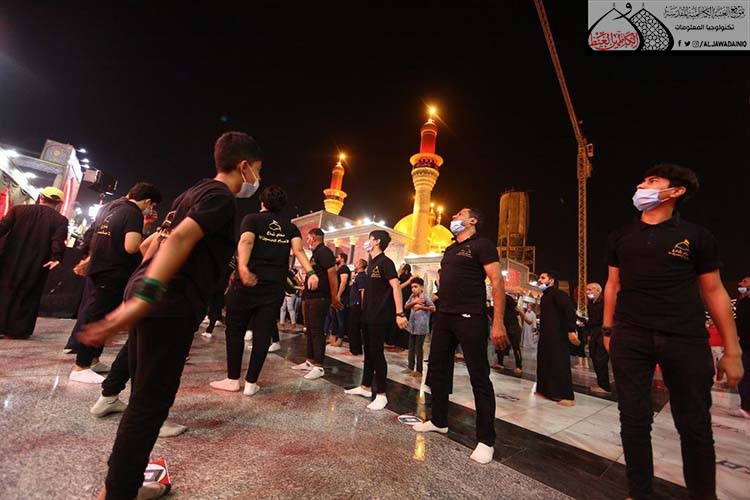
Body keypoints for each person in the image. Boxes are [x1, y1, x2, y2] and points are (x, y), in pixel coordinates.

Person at [78, 131, 263, 500]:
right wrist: (144, 300)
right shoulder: (221, 198)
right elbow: (178, 240)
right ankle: (118, 492)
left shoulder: (191, 193)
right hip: (170, 301)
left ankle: (121, 483)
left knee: (144, 396)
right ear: (244, 167)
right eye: (258, 170)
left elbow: (154, 242)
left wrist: (138, 289)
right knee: (150, 404)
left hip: (154, 292)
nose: (257, 179)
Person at [603, 163, 743, 500]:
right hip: (631, 336)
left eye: (652, 181)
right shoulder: (620, 236)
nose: (642, 185)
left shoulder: (697, 236)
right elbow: (612, 284)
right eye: (643, 180)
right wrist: (608, 330)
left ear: (676, 191)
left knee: (694, 425)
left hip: (685, 338)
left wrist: (732, 349)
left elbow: (713, 290)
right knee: (633, 421)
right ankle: (640, 492)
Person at [413, 207, 509, 465]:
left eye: (459, 214)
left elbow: (497, 282)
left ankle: (486, 440)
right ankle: (439, 420)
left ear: (472, 220)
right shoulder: (450, 249)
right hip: (444, 316)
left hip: (470, 316)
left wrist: (498, 322)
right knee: (437, 369)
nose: (454, 217)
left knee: (479, 376)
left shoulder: (482, 245)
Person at [210, 185, 318, 396]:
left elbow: (246, 241)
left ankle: (232, 380)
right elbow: (298, 250)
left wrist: (243, 267)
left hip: (247, 282)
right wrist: (311, 273)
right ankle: (251, 383)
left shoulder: (252, 219)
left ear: (262, 202)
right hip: (273, 287)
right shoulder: (290, 227)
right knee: (262, 333)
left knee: (235, 330)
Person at [70, 183, 162, 384]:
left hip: (100, 266)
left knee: (98, 312)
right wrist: (145, 232)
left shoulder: (110, 208)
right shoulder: (133, 213)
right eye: (152, 205)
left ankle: (93, 360)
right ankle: (80, 366)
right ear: (148, 202)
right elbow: (131, 247)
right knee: (98, 316)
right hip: (114, 270)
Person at [344, 230, 408, 410]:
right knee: (369, 352)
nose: (367, 242)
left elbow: (396, 287)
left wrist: (400, 313)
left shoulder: (386, 262)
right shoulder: (371, 263)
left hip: (379, 316)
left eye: (370, 239)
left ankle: (381, 393)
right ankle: (365, 386)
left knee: (377, 353)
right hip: (368, 314)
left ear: (377, 241)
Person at [0, 186, 68, 339]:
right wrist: (56, 258)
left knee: (4, 289)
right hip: (37, 262)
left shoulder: (18, 210)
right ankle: (17, 330)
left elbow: (2, 228)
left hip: (10, 257)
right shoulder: (60, 220)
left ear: (41, 197)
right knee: (28, 294)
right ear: (59, 203)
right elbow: (58, 241)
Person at [292, 228, 341, 380]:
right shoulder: (316, 253)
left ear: (313, 238)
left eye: (308, 238)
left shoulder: (324, 251)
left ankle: (319, 366)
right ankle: (310, 361)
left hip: (320, 297)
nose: (307, 241)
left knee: (317, 331)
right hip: (310, 296)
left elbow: (332, 274)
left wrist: (334, 296)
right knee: (310, 329)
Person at [536, 271, 579, 407]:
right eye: (539, 278)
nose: (539, 280)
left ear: (552, 281)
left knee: (559, 362)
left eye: (543, 278)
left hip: (557, 335)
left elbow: (569, 311)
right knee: (544, 361)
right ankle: (545, 390)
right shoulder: (545, 296)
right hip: (546, 336)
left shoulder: (558, 294)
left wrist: (571, 330)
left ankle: (565, 395)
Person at [403, 277, 434, 376]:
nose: (413, 289)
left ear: (421, 287)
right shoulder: (412, 297)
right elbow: (406, 306)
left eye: (415, 287)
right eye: (412, 287)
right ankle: (410, 366)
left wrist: (422, 307)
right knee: (411, 347)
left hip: (421, 327)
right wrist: (415, 302)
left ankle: (419, 370)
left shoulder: (425, 297)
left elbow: (433, 308)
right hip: (412, 326)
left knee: (418, 348)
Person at [730, 276, 750, 419]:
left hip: (747, 345)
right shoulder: (742, 301)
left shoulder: (745, 303)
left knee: (745, 375)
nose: (740, 284)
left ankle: (747, 408)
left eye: (745, 281)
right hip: (745, 343)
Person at [584, 282, 610, 394]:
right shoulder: (590, 303)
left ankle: (605, 386)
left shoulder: (604, 302)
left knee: (601, 359)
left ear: (598, 290)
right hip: (594, 331)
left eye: (590, 289)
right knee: (594, 356)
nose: (587, 292)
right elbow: (591, 320)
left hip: (602, 331)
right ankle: (601, 383)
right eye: (587, 289)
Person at [327, 252, 351, 348]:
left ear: (342, 259)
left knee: (340, 319)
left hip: (341, 297)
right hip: (335, 297)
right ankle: (333, 337)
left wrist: (338, 295)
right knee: (334, 318)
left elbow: (343, 282)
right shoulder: (339, 269)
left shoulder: (344, 268)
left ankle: (340, 340)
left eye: (338, 257)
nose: (336, 259)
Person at [497, 293, 523, 375]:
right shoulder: (502, 301)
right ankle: (500, 363)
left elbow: (518, 312)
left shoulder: (506, 299)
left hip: (512, 327)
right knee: (502, 344)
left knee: (515, 347)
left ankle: (519, 366)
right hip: (509, 326)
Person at [347, 259, 368, 355]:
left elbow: (362, 291)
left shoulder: (361, 276)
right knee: (353, 327)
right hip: (354, 303)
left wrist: (363, 306)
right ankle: (356, 349)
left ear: (360, 265)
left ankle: (354, 350)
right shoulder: (357, 276)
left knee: (354, 328)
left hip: (357, 305)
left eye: (356, 263)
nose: (355, 264)